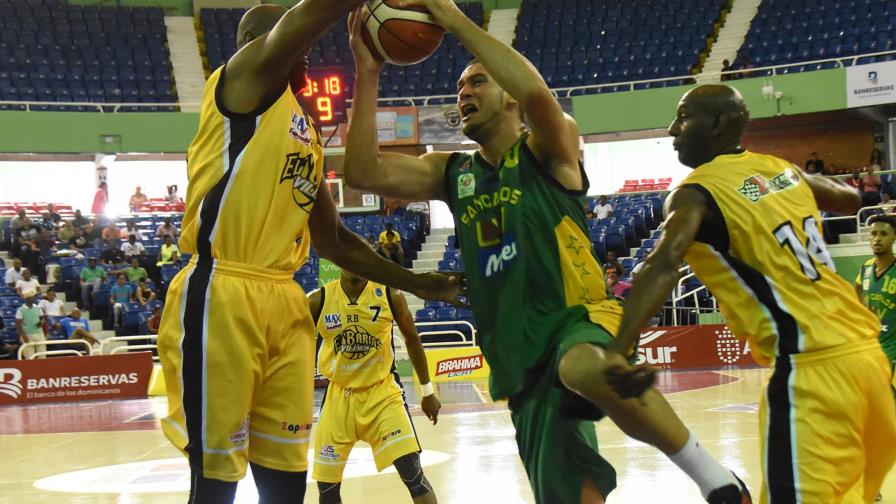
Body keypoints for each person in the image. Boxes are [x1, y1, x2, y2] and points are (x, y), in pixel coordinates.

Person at [344, 6, 748, 504]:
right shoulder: (452, 172)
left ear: (509, 96)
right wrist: (368, 71)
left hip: (577, 318)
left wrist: (452, 18)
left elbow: (538, 96)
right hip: (519, 358)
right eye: (459, 89)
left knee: (579, 366)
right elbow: (362, 171)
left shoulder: (552, 145)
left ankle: (716, 479)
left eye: (477, 83)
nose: (463, 94)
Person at [155, 3, 461, 503]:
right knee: (215, 482)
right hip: (221, 291)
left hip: (284, 304)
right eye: (293, 41)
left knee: (285, 481)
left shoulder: (305, 130)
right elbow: (294, 28)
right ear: (259, 42)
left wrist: (422, 283)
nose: (307, 53)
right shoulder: (240, 84)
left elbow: (333, 239)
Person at [608, 84, 896, 503]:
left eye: (684, 117)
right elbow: (849, 197)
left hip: (811, 372)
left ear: (720, 123)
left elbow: (663, 263)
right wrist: (791, 184)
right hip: (869, 365)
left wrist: (620, 347)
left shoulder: (694, 193)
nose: (672, 129)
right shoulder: (780, 168)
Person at [308, 268, 441, 504]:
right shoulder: (318, 300)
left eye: (359, 256)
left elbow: (412, 339)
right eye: (347, 256)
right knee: (327, 490)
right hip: (339, 395)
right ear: (339, 261)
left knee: (413, 475)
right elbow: (293, 346)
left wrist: (427, 391)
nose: (353, 263)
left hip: (382, 393)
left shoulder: (390, 295)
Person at [855, 214, 896, 384]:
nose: (877, 239)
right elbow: (856, 289)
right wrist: (862, 313)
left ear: (894, 237)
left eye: (883, 234)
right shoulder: (866, 267)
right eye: (873, 234)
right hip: (871, 347)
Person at [16, 291, 44, 359]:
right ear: (26, 299)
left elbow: (42, 318)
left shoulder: (38, 308)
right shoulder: (20, 310)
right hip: (27, 334)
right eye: (30, 298)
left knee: (42, 355)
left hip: (39, 333)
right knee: (29, 356)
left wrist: (41, 322)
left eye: (32, 298)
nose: (32, 299)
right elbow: (18, 324)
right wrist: (23, 336)